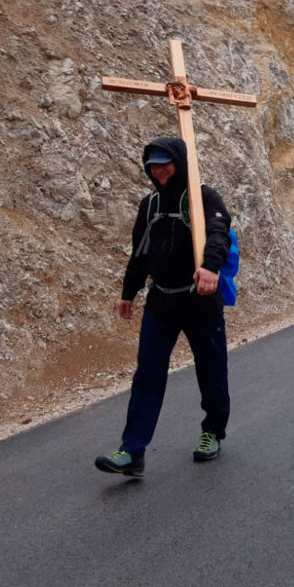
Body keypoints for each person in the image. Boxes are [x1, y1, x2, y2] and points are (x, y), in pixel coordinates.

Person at [96, 136, 233, 477]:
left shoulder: (205, 197)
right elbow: (140, 251)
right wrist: (129, 292)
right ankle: (132, 451)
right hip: (161, 301)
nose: (158, 171)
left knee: (211, 369)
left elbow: (219, 232)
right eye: (152, 166)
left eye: (165, 164)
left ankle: (213, 431)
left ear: (180, 163)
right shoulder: (150, 204)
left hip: (200, 300)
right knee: (148, 374)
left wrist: (211, 267)